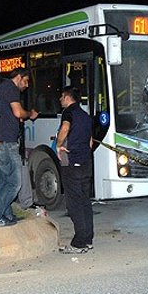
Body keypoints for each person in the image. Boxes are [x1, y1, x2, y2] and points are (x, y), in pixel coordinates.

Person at [0, 68, 39, 227]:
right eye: (26, 80)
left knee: (4, 182)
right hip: (7, 144)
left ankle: (7, 214)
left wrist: (8, 121)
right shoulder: (11, 88)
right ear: (19, 77)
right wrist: (29, 114)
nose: (27, 84)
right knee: (15, 183)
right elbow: (18, 112)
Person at [56, 86, 94, 254]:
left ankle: (78, 243)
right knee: (85, 201)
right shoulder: (85, 116)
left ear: (67, 97)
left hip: (73, 163)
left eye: (61, 97)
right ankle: (88, 239)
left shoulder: (68, 112)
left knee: (74, 204)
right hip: (86, 163)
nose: (60, 100)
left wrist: (58, 145)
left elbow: (64, 128)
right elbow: (91, 141)